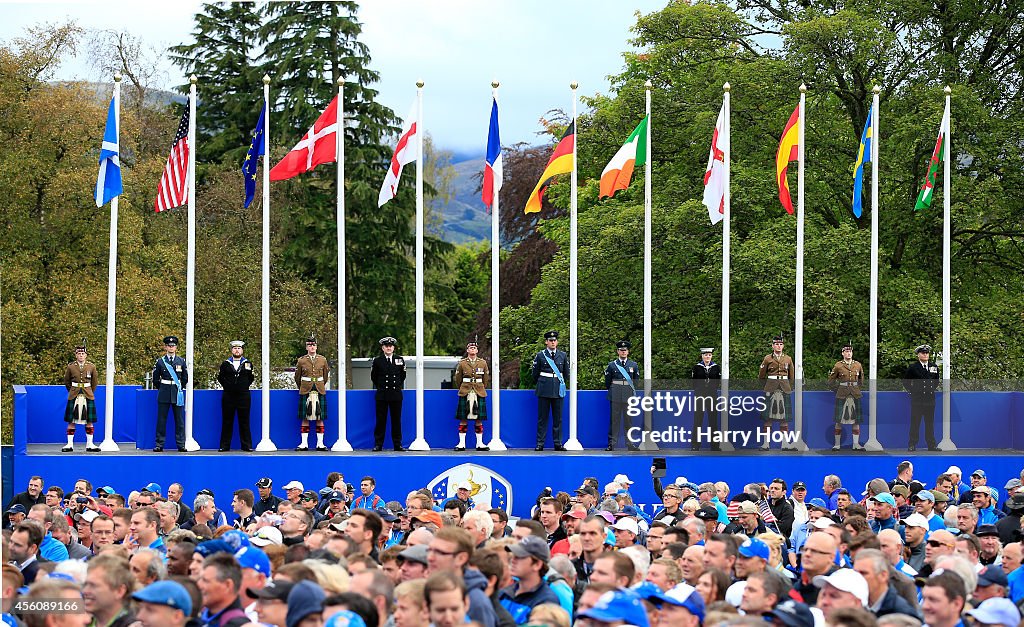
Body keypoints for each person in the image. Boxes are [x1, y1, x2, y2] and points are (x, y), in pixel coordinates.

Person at [532, 331, 569, 452]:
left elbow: (566, 373)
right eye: (550, 340)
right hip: (544, 389)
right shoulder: (540, 355)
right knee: (543, 418)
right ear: (546, 342)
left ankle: (558, 443)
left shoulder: (562, 355)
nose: (553, 342)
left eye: (554, 340)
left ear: (557, 342)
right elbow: (535, 374)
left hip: (558, 389)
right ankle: (540, 443)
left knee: (558, 418)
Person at [452, 338, 490, 452]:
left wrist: (480, 387)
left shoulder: (482, 363)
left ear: (477, 350)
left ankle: (480, 443)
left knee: (479, 419)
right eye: (470, 348)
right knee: (463, 418)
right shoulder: (462, 363)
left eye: (474, 348)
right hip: (466, 391)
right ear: (467, 350)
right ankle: (461, 444)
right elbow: (458, 379)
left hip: (479, 391)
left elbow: (486, 379)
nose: (472, 349)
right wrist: (464, 388)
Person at [758, 335, 795, 450]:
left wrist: (789, 387)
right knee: (767, 418)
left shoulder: (788, 359)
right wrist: (767, 387)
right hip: (770, 388)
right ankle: (765, 444)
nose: (778, 346)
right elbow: (761, 376)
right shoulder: (767, 358)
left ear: (783, 346)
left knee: (784, 418)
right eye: (776, 344)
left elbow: (791, 376)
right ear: (773, 345)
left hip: (784, 388)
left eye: (780, 344)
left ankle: (785, 444)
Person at [62, 340, 100, 452]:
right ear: (76, 355)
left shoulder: (91, 367)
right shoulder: (71, 367)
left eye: (83, 354)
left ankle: (90, 444)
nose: (81, 355)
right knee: (71, 421)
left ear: (86, 355)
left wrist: (89, 392)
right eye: (79, 354)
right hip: (74, 394)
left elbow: (94, 382)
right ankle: (69, 444)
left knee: (89, 420)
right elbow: (67, 381)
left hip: (88, 394)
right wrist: (73, 390)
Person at [370, 336, 406, 452]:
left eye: (390, 346)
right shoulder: (377, 361)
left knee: (396, 420)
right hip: (382, 395)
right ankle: (378, 444)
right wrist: (382, 387)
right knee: (381, 421)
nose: (389, 348)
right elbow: (374, 377)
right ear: (383, 348)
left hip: (396, 394)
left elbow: (402, 376)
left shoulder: (399, 360)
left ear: (394, 348)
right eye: (386, 346)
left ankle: (397, 444)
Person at [295, 334, 330, 451]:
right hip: (305, 389)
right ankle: (304, 444)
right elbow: (297, 377)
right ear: (306, 347)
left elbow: (325, 376)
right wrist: (303, 387)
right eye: (310, 345)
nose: (312, 347)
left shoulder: (323, 360)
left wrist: (320, 385)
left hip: (319, 389)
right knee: (305, 417)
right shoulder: (301, 361)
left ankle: (320, 444)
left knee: (320, 417)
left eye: (314, 345)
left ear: (316, 347)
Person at [217, 340, 254, 452]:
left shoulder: (248, 363)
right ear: (231, 350)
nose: (237, 350)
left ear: (242, 350)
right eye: (234, 348)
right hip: (228, 396)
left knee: (244, 421)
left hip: (244, 396)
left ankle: (246, 445)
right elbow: (220, 377)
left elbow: (251, 378)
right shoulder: (225, 364)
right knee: (227, 421)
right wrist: (228, 387)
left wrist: (242, 386)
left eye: (239, 348)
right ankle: (224, 446)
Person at [153, 335, 188, 452]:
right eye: (169, 346)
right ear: (165, 347)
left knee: (180, 421)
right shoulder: (160, 362)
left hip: (177, 394)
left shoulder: (181, 361)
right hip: (164, 393)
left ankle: (181, 444)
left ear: (176, 348)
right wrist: (163, 388)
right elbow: (155, 379)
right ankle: (159, 444)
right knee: (161, 421)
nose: (171, 348)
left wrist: (179, 388)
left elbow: (185, 378)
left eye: (173, 346)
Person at [902, 344, 940, 451]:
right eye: (923, 353)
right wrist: (913, 391)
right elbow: (906, 381)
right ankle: (912, 444)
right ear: (918, 355)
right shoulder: (913, 367)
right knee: (915, 423)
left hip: (929, 399)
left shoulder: (934, 367)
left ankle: (931, 445)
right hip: (917, 400)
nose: (925, 355)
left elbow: (936, 381)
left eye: (927, 353)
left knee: (929, 424)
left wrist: (930, 389)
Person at [603, 340, 639, 451]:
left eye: (625, 350)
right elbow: (608, 381)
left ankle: (630, 444)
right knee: (614, 420)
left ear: (628, 352)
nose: (623, 352)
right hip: (615, 394)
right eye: (621, 350)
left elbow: (636, 381)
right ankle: (612, 444)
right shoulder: (612, 365)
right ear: (618, 351)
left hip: (628, 394)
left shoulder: (633, 365)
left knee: (629, 421)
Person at [828, 342, 864, 451]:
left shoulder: (857, 365)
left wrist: (856, 389)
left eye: (850, 351)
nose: (849, 353)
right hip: (842, 394)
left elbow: (861, 380)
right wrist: (838, 390)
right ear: (842, 353)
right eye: (847, 351)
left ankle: (856, 444)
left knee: (856, 421)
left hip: (855, 394)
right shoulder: (838, 365)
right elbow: (831, 381)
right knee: (838, 420)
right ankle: (837, 444)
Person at [691, 347, 722, 451]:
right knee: (698, 420)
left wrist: (711, 389)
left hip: (712, 395)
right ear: (702, 356)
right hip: (700, 395)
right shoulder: (697, 367)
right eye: (705, 355)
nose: (707, 357)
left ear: (711, 356)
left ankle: (715, 445)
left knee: (713, 420)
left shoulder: (716, 367)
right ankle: (695, 445)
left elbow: (718, 381)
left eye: (709, 355)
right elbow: (694, 382)